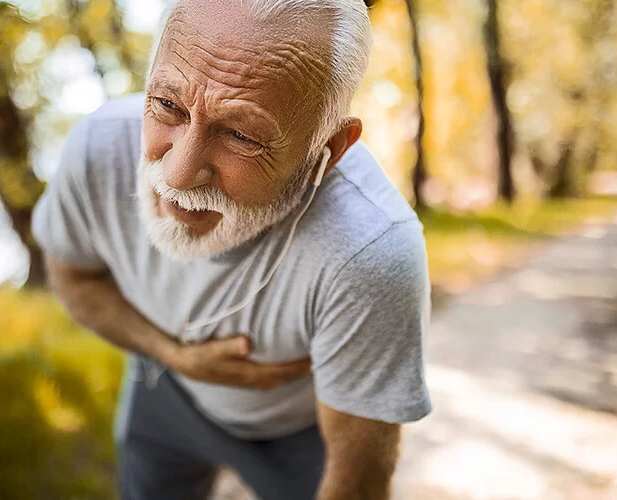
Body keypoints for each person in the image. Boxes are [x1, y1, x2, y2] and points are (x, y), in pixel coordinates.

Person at [32, 0, 432, 498]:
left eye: (242, 134)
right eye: (168, 105)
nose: (176, 176)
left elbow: (360, 485)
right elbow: (74, 278)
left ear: (328, 151)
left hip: (299, 434)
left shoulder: (369, 253)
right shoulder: (96, 148)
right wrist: (174, 356)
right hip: (165, 391)